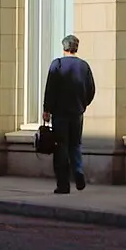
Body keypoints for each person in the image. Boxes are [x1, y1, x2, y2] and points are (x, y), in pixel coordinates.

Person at [41, 35, 95, 194]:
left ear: (63, 47)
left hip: (60, 113)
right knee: (76, 144)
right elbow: (91, 89)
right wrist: (83, 104)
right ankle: (78, 171)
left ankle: (63, 184)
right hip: (77, 112)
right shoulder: (84, 66)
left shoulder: (57, 64)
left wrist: (47, 109)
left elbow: (50, 88)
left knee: (61, 146)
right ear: (76, 48)